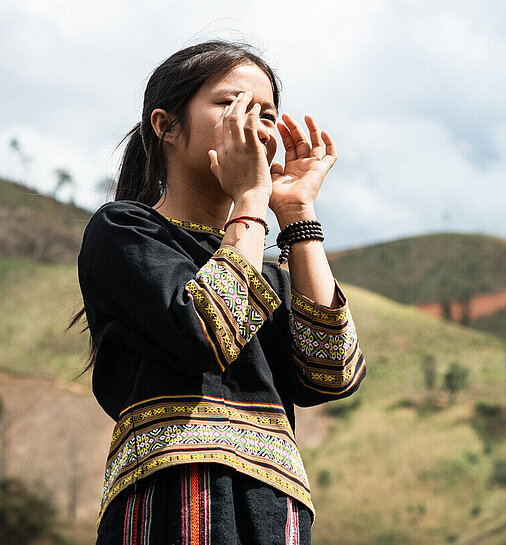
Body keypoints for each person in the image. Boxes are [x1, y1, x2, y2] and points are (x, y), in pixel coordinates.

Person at [71, 39, 367, 545]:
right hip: (170, 502)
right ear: (164, 126)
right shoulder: (125, 232)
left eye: (268, 113)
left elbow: (332, 374)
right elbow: (209, 329)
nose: (252, 123)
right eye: (231, 104)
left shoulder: (269, 276)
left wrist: (296, 213)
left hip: (274, 511)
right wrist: (251, 199)